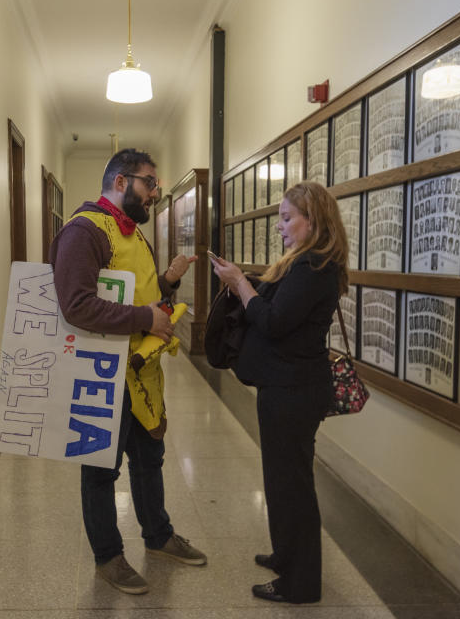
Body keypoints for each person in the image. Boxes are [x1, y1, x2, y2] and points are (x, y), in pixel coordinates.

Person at [49, 148, 206, 595]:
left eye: (155, 186)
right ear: (121, 182)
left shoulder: (134, 235)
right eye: (150, 184)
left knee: (149, 459)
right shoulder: (83, 231)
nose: (155, 194)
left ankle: (158, 537)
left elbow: (143, 295)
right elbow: (76, 305)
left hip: (141, 372)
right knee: (101, 468)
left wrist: (169, 282)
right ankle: (108, 558)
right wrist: (143, 318)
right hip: (101, 372)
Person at [209, 181, 347, 604]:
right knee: (282, 480)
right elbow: (273, 303)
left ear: (314, 221)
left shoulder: (314, 267)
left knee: (291, 486)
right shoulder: (303, 264)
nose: (280, 227)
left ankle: (300, 583)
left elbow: (274, 322)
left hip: (294, 389)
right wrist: (240, 282)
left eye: (288, 218)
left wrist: (242, 286)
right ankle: (288, 555)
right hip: (287, 386)